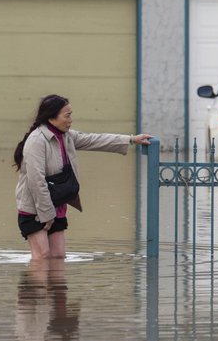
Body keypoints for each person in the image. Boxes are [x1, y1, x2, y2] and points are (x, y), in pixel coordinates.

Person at [13, 94, 152, 260]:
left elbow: (94, 139)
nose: (71, 119)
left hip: (56, 205)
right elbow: (36, 181)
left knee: (58, 256)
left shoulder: (66, 136)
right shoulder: (37, 140)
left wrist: (131, 139)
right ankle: (34, 286)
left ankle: (57, 287)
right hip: (35, 208)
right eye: (67, 115)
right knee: (42, 256)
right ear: (51, 117)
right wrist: (46, 214)